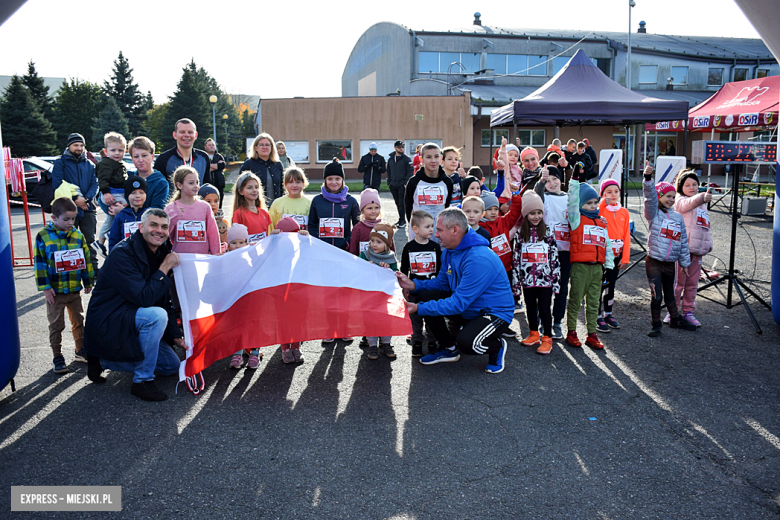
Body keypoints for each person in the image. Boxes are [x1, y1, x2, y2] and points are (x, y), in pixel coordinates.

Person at [397, 208, 515, 374]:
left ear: (455, 230)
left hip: (493, 313)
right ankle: (448, 348)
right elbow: (442, 283)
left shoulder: (478, 258)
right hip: (469, 306)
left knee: (468, 343)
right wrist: (414, 285)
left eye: (439, 230)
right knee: (424, 296)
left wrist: (419, 308)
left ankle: (496, 346)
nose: (435, 235)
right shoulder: (449, 251)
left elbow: (458, 303)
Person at [84, 208, 184, 401]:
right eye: (153, 225)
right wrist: (165, 268)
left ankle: (102, 360)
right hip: (110, 318)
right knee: (157, 316)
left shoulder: (162, 251)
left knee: (171, 366)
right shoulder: (123, 254)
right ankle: (142, 381)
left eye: (164, 227)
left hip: (133, 316)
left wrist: (174, 336)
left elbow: (164, 300)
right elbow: (144, 297)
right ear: (141, 227)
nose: (159, 231)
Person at [34, 197, 95, 374]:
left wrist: (88, 280)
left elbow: (85, 259)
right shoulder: (43, 236)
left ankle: (80, 350)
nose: (70, 223)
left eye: (73, 219)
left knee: (78, 321)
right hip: (55, 291)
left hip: (74, 288)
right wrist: (45, 287)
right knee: (56, 324)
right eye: (66, 219)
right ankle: (57, 356)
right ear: (54, 217)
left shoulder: (78, 235)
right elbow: (39, 263)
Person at [643, 163, 697, 337]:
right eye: (667, 196)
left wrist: (685, 263)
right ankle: (656, 324)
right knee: (656, 296)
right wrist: (648, 179)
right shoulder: (653, 214)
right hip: (654, 262)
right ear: (659, 196)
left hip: (670, 264)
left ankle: (675, 319)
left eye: (674, 196)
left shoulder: (677, 217)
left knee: (670, 295)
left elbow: (682, 241)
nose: (671, 199)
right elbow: (650, 198)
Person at [565, 166, 614, 349]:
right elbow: (571, 200)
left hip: (597, 269)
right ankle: (571, 332)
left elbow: (606, 245)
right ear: (581, 204)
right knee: (576, 301)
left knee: (594, 303)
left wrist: (608, 266)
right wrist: (575, 181)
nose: (593, 206)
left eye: (595, 202)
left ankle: (591, 334)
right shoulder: (576, 219)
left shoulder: (601, 222)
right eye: (589, 203)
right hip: (580, 267)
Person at [511, 191, 560, 355]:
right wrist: (516, 283)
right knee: (530, 308)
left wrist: (556, 280)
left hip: (545, 280)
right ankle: (533, 333)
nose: (536, 216)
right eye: (532, 213)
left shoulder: (548, 232)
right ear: (526, 214)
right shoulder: (520, 234)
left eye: (539, 212)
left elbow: (554, 258)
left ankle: (547, 337)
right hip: (527, 280)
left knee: (545, 308)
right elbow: (516, 259)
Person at [667, 170, 713, 327]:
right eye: (687, 185)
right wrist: (701, 197)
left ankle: (688, 312)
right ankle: (672, 311)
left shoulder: (702, 205)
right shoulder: (679, 200)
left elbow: (705, 226)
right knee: (678, 284)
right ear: (680, 186)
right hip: (681, 252)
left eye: (694, 184)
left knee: (692, 284)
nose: (691, 187)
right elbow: (687, 204)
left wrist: (707, 245)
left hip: (696, 252)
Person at [51, 133, 99, 273]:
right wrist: (77, 199)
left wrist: (86, 199)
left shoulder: (89, 164)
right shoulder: (60, 163)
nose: (79, 148)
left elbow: (95, 184)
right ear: (69, 146)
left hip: (88, 208)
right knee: (67, 242)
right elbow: (58, 183)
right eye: (75, 145)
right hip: (66, 210)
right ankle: (69, 272)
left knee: (90, 241)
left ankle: (93, 271)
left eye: (81, 145)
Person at [534, 166, 570, 340]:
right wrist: (541, 182)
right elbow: (537, 192)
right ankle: (543, 320)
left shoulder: (569, 198)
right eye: (548, 180)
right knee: (544, 288)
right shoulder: (544, 197)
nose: (552, 183)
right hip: (546, 252)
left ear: (561, 180)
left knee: (562, 289)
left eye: (555, 179)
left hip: (565, 252)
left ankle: (557, 322)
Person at [269, 217, 310, 363]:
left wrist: (306, 238)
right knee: (283, 320)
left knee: (298, 319)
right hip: (280, 293)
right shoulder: (275, 249)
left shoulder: (300, 247)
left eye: (294, 234)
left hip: (297, 291)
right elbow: (264, 252)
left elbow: (310, 252)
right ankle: (285, 348)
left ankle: (296, 346)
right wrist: (273, 238)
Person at [400, 210, 441, 357]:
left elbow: (440, 270)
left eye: (432, 226)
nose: (432, 229)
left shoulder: (435, 248)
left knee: (431, 315)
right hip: (414, 291)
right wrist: (404, 287)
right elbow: (404, 269)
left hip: (431, 291)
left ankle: (432, 341)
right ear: (415, 229)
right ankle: (416, 341)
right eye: (427, 226)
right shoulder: (409, 248)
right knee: (415, 319)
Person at [224, 223, 263, 369]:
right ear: (228, 245)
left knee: (253, 326)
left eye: (241, 242)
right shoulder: (226, 258)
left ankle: (254, 354)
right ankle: (237, 354)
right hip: (235, 300)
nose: (238, 245)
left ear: (246, 243)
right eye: (234, 243)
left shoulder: (251, 255)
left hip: (251, 300)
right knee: (236, 327)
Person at [359, 223, 398, 360]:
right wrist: (364, 265)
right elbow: (356, 269)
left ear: (387, 244)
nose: (374, 244)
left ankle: (386, 343)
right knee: (370, 320)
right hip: (369, 295)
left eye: (379, 241)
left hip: (384, 296)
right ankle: (372, 346)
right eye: (372, 240)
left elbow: (395, 275)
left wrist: (388, 269)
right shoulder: (365, 254)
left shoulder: (391, 257)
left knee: (385, 320)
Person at [596, 179, 631, 333]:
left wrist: (625, 258)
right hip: (603, 255)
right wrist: (604, 201)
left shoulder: (624, 212)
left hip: (617, 255)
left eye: (616, 191)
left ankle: (608, 313)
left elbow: (627, 236)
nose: (613, 195)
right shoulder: (601, 209)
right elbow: (599, 207)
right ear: (602, 194)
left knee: (611, 285)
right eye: (608, 192)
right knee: (599, 285)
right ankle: (597, 315)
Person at [165, 166, 221, 255]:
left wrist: (216, 255)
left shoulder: (205, 207)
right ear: (179, 185)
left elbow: (213, 233)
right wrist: (174, 217)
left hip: (202, 258)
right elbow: (165, 233)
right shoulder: (171, 208)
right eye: (191, 183)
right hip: (180, 258)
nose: (196, 186)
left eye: (197, 182)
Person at [404, 143, 453, 242]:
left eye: (436, 156)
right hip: (418, 234)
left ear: (441, 158)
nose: (433, 160)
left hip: (439, 233)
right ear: (421, 160)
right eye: (428, 157)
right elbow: (408, 207)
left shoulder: (447, 182)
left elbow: (446, 206)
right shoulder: (414, 182)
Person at [308, 159, 360, 253]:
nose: (334, 182)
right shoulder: (317, 200)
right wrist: (318, 241)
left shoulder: (351, 201)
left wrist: (347, 242)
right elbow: (311, 224)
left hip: (343, 249)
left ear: (342, 180)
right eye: (330, 179)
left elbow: (357, 225)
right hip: (321, 248)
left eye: (337, 178)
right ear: (325, 180)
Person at [94, 132, 128, 256]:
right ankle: (107, 238)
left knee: (111, 217)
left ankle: (102, 241)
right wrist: (106, 192)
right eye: (113, 150)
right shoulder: (106, 163)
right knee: (127, 208)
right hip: (111, 193)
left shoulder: (120, 164)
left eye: (120, 150)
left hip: (118, 192)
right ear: (106, 151)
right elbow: (103, 179)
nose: (117, 153)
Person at [154, 118, 212, 188]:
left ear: (196, 135)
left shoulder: (203, 157)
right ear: (175, 135)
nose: (186, 135)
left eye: (190, 132)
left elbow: (207, 187)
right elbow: (157, 189)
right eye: (182, 132)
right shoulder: (163, 159)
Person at [231, 171, 274, 246]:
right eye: (249, 187)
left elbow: (269, 235)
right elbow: (236, 239)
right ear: (241, 192)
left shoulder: (264, 213)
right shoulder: (239, 213)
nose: (254, 190)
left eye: (256, 187)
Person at [241, 133, 284, 207]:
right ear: (256, 147)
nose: (264, 147)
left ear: (271, 147)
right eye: (261, 145)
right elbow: (241, 188)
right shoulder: (248, 164)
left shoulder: (278, 165)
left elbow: (283, 187)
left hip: (276, 208)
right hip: (255, 208)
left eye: (267, 145)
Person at [349, 188, 394, 257]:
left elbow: (392, 251)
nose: (373, 211)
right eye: (369, 208)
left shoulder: (385, 227)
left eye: (376, 207)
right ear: (362, 210)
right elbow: (353, 252)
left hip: (382, 266)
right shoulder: (357, 228)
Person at [127, 136, 169, 210]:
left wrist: (127, 211)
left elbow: (157, 211)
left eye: (144, 155)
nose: (140, 160)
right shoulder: (126, 177)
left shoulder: (160, 183)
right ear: (132, 159)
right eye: (136, 156)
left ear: (152, 157)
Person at [109, 176, 147, 251]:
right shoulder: (121, 216)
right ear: (127, 195)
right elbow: (113, 241)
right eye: (133, 193)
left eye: (141, 192)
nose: (137, 196)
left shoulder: (151, 214)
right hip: (126, 258)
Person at [386, 140, 414, 228]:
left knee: (402, 203)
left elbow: (410, 171)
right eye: (399, 147)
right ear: (395, 148)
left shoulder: (406, 159)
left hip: (402, 184)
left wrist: (406, 183)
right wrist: (389, 182)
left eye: (402, 147)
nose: (401, 148)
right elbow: (389, 171)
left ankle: (403, 221)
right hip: (393, 184)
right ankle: (400, 219)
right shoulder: (391, 159)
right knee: (397, 202)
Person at [204, 138, 226, 208]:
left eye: (213, 145)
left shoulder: (219, 156)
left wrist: (209, 166)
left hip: (219, 183)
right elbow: (204, 168)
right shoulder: (203, 157)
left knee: (218, 204)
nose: (211, 146)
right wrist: (216, 166)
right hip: (207, 183)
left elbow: (221, 166)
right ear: (205, 147)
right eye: (209, 145)